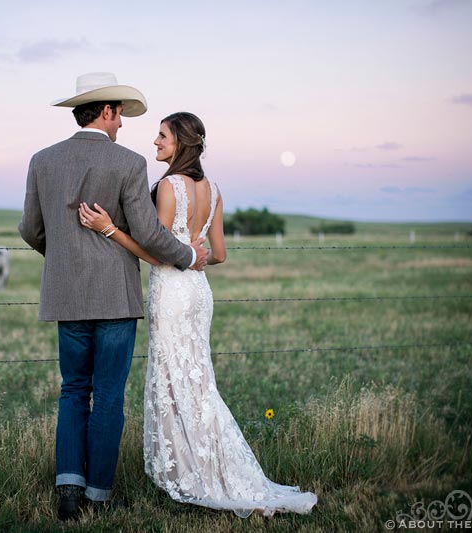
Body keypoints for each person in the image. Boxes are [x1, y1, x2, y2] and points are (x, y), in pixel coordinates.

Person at [78, 112, 318, 517]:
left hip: (172, 293)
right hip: (199, 294)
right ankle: (205, 467)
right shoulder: (214, 188)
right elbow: (219, 255)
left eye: (162, 136)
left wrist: (109, 230)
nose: (155, 142)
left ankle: (191, 475)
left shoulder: (170, 186)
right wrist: (195, 250)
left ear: (182, 143)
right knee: (198, 382)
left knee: (174, 382)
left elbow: (156, 253)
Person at [18, 73, 210, 521]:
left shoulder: (42, 160)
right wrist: (186, 256)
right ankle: (99, 494)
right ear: (105, 112)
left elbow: (29, 229)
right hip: (116, 299)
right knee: (107, 395)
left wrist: (64, 254)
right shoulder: (128, 163)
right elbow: (146, 232)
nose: (122, 123)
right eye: (119, 113)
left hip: (66, 296)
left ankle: (69, 488)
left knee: (72, 390)